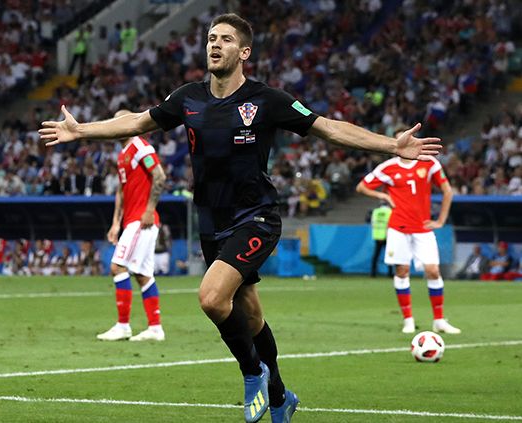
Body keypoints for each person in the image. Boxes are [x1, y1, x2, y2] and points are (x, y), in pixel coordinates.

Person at [40, 13, 441, 423]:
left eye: (226, 39)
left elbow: (328, 128)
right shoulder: (188, 98)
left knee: (212, 299)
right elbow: (138, 121)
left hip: (256, 217)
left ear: (244, 52)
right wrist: (82, 130)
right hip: (212, 221)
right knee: (250, 317)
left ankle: (254, 374)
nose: (215, 45)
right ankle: (281, 396)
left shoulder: (267, 100)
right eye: (211, 38)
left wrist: (392, 144)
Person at [356, 128, 460, 335]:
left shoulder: (429, 163)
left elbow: (447, 190)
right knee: (402, 271)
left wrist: (440, 220)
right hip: (398, 228)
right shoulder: (387, 168)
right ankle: (408, 320)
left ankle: (439, 320)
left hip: (423, 228)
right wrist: (383, 197)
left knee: (432, 270)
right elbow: (361, 187)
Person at [98, 110, 167, 342]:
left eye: (118, 121)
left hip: (141, 219)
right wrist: (115, 222)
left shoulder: (140, 146)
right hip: (131, 220)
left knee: (118, 267)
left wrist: (149, 210)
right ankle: (155, 328)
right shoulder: (123, 154)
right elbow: (121, 189)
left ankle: (123, 325)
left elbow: (159, 176)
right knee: (142, 274)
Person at [369, 201, 392, 278]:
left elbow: (372, 223)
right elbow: (391, 224)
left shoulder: (375, 211)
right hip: (387, 236)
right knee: (389, 255)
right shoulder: (390, 211)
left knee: (375, 256)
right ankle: (390, 273)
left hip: (377, 235)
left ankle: (373, 273)